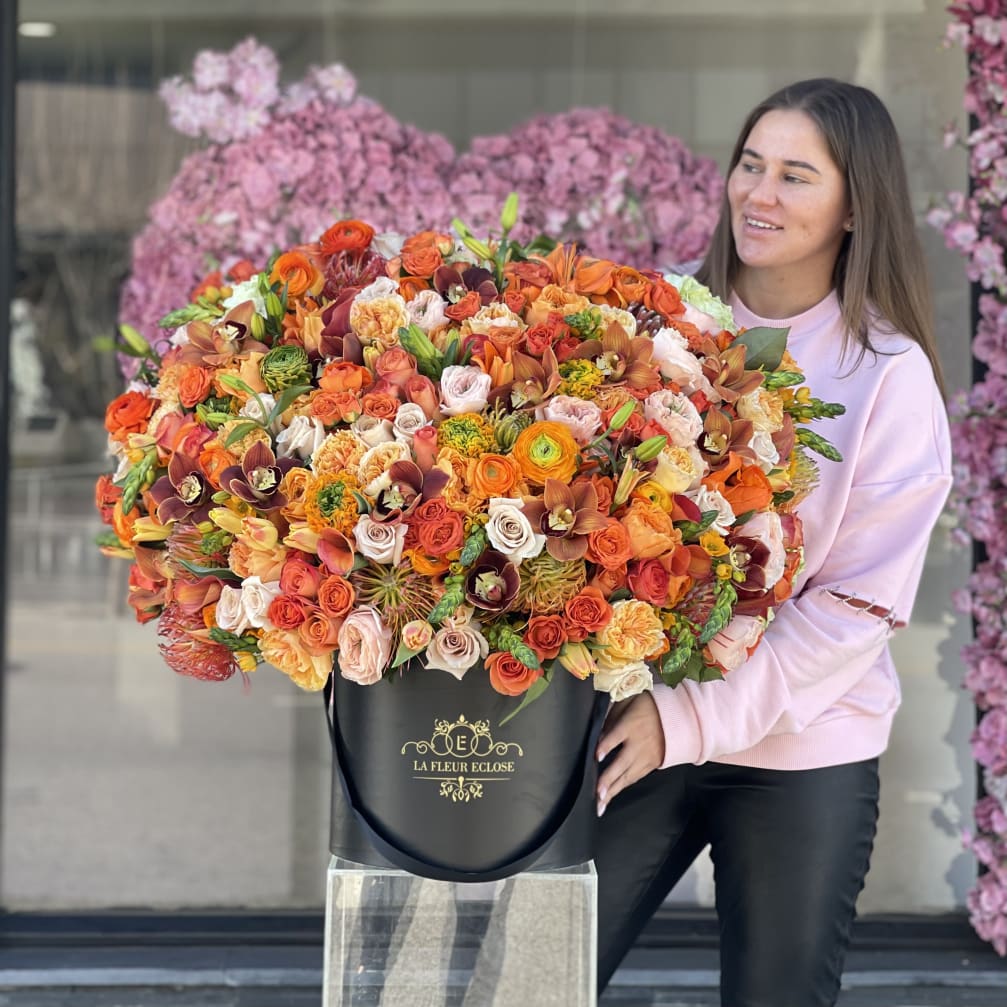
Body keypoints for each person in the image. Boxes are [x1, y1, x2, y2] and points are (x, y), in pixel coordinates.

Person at [593, 78, 952, 1006]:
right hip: (637, 723)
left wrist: (686, 718)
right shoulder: (657, 324)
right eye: (751, 164)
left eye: (796, 175)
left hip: (803, 748)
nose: (759, 194)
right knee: (528, 979)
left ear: (853, 208)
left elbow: (852, 609)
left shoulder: (887, 374)